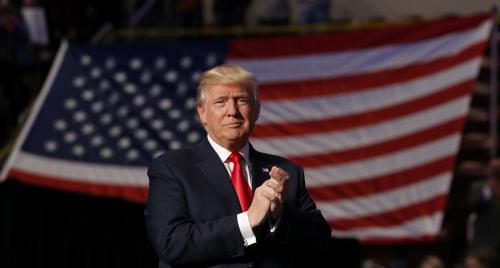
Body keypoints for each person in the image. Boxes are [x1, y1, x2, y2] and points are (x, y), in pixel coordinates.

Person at [144, 64, 331, 268]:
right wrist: (248, 221)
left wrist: (279, 216)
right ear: (202, 113)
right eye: (220, 102)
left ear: (257, 111)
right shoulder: (172, 168)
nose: (232, 111)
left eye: (241, 100)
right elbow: (171, 244)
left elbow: (320, 241)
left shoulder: (286, 171)